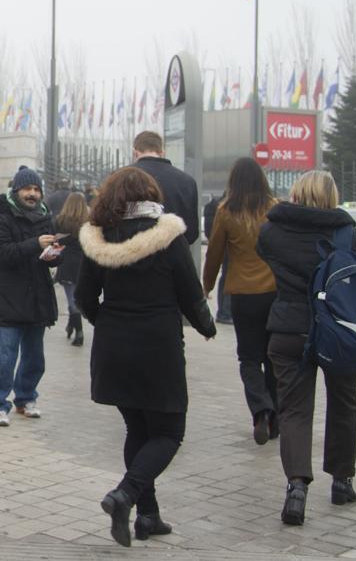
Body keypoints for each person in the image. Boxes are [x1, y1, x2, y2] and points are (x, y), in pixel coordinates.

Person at [75, 166, 215, 548]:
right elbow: (190, 291)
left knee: (137, 429)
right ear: (151, 195)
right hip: (158, 347)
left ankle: (148, 516)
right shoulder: (167, 236)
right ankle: (125, 495)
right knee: (169, 432)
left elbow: (84, 297)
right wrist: (207, 326)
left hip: (114, 348)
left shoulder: (98, 238)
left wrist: (106, 322)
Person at [257, 170, 356, 527]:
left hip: (290, 329)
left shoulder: (272, 230)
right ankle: (341, 481)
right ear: (331, 196)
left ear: (297, 191)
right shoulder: (345, 233)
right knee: (344, 403)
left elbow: (265, 255)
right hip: (338, 332)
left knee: (294, 409)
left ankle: (296, 489)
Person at [202, 158, 279, 446]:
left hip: (243, 296)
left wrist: (207, 287)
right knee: (274, 358)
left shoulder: (226, 211)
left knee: (249, 358)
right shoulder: (274, 208)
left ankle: (260, 410)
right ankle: (276, 420)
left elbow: (215, 254)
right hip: (274, 292)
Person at [0, 165, 60, 426]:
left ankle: (26, 397)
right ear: (16, 191)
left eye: (37, 189)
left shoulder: (46, 218)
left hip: (38, 297)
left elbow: (48, 261)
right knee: (5, 355)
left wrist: (54, 254)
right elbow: (0, 255)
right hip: (10, 297)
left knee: (35, 356)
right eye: (28, 189)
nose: (33, 194)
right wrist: (34, 244)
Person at [131, 131, 198, 245]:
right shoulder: (187, 181)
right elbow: (191, 233)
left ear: (135, 153)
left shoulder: (119, 178)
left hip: (131, 256)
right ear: (162, 153)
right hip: (173, 257)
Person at [54, 192, 89, 347]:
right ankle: (70, 325)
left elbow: (55, 240)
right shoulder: (88, 223)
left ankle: (79, 333)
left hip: (67, 264)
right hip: (83, 265)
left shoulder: (60, 221)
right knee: (75, 298)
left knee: (71, 298)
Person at [202, 194, 233, 323]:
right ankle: (225, 313)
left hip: (226, 248)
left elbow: (213, 255)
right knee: (227, 275)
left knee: (226, 276)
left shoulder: (221, 206)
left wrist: (207, 285)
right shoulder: (225, 208)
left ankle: (224, 313)